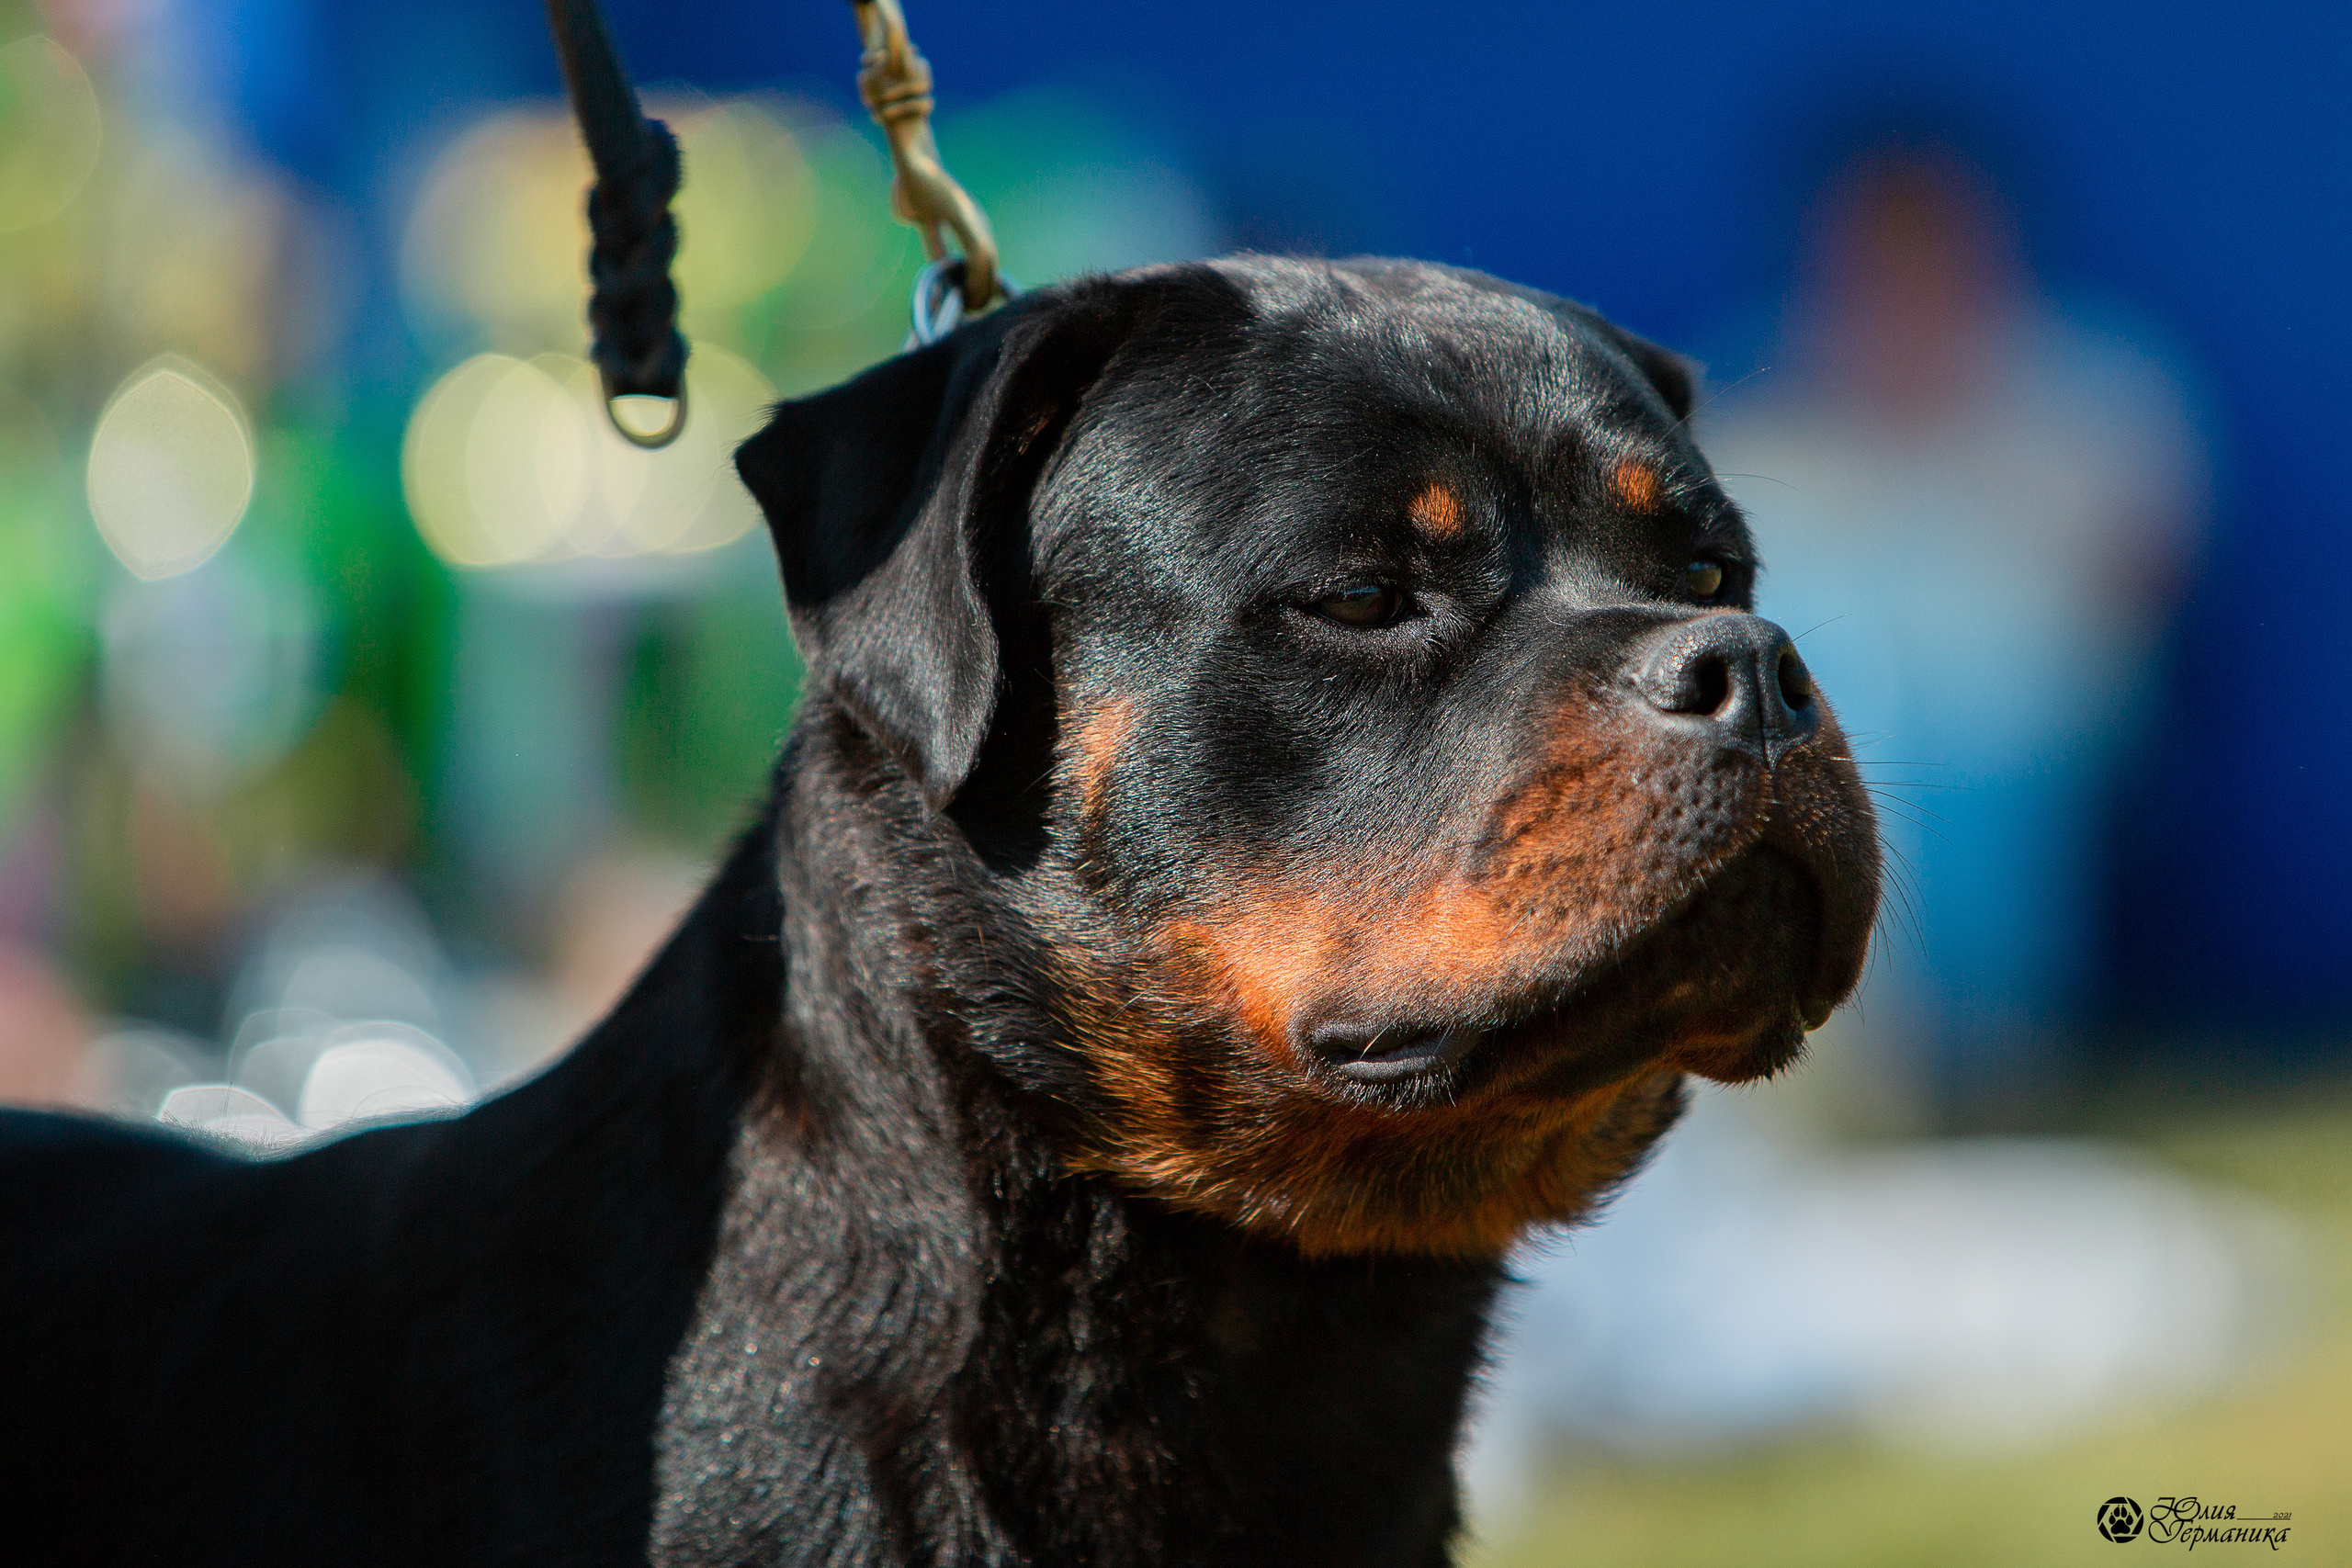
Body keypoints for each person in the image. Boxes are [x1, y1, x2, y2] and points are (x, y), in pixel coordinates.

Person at [1702, 132, 2206, 1126]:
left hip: (2037, 735)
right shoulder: (1756, 405)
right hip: (1828, 723)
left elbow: (2140, 595)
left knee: (1946, 723)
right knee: (1851, 699)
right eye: (1876, 254)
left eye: (1928, 249)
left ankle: (1981, 1059)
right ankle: (1856, 1069)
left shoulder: (2103, 391)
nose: (1906, 281)